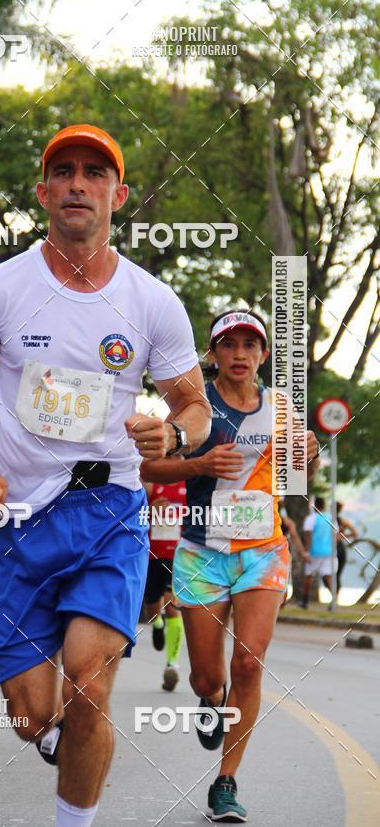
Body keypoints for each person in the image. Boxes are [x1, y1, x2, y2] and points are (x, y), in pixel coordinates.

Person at [0, 124, 211, 827]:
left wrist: (174, 431)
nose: (79, 184)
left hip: (107, 511)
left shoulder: (151, 301)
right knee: (32, 717)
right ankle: (49, 724)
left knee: (89, 686)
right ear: (44, 192)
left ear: (118, 194)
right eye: (64, 172)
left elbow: (194, 405)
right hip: (17, 523)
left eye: (95, 172)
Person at [142, 309, 319, 822]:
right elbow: (147, 467)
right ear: (213, 354)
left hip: (264, 550)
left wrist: (309, 454)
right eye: (229, 344)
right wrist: (197, 464)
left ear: (263, 354)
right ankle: (210, 698)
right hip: (202, 551)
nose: (239, 354)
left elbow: (295, 476)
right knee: (206, 677)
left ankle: (225, 782)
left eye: (250, 344)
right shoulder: (197, 407)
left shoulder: (282, 407)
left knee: (249, 663)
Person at [140, 479, 186, 691]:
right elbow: (134, 508)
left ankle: (172, 665)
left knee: (172, 606)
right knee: (152, 608)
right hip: (152, 556)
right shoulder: (151, 482)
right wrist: (150, 509)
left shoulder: (190, 482)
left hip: (178, 556)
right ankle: (157, 624)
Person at [300, 497, 336, 608]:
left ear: (314, 505)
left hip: (314, 552)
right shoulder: (331, 518)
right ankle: (334, 600)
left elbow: (308, 536)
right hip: (329, 552)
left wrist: (306, 551)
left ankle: (305, 601)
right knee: (328, 576)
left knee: (309, 575)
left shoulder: (311, 519)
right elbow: (335, 535)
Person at [336, 500, 358, 597]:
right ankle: (335, 598)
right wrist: (343, 536)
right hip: (341, 547)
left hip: (335, 548)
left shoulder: (328, 519)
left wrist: (341, 536)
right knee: (337, 575)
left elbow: (355, 533)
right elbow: (354, 533)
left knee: (330, 575)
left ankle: (335, 598)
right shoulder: (341, 521)